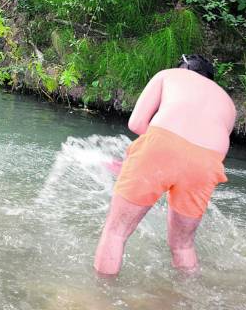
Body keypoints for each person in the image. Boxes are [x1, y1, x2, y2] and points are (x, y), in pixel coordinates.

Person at [94, 54, 236, 276]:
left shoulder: (169, 75)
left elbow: (137, 123)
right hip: (207, 162)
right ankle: (189, 297)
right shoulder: (228, 103)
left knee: (116, 231)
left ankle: (100, 297)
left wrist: (142, 163)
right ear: (210, 79)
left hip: (161, 147)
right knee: (183, 245)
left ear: (183, 69)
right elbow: (195, 151)